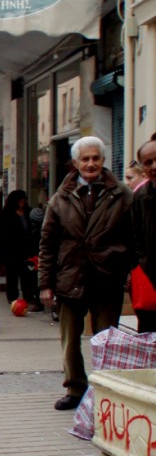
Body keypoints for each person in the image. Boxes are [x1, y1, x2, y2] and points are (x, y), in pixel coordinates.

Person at [38, 136, 135, 411]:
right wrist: (45, 282)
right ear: (76, 163)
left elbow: (133, 237)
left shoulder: (122, 194)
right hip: (71, 276)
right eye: (85, 159)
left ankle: (105, 389)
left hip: (107, 277)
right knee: (69, 339)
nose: (90, 163)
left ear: (103, 161)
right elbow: (48, 242)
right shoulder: (61, 197)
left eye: (95, 158)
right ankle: (75, 388)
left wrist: (126, 269)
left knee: (106, 338)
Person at [0, 190, 42, 311]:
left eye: (24, 199)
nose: (23, 202)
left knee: (28, 275)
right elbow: (0, 234)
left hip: (27, 250)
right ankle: (13, 298)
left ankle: (29, 297)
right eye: (20, 200)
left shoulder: (28, 212)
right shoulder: (6, 214)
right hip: (11, 250)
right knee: (12, 275)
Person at [130, 136, 156, 334]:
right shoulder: (140, 198)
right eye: (148, 162)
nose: (154, 166)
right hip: (149, 278)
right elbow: (134, 236)